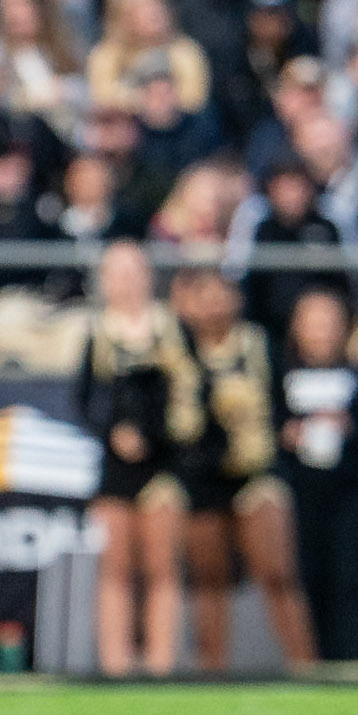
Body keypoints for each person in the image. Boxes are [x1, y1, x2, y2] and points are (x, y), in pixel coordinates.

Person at [173, 267, 318, 673]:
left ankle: (304, 666)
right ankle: (212, 669)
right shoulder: (179, 351)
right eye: (206, 295)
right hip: (202, 476)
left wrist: (286, 431)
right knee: (208, 578)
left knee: (277, 573)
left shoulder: (259, 345)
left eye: (223, 294)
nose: (216, 304)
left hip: (258, 472)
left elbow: (283, 402)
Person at [76, 241, 204, 677]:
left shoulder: (170, 328)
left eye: (134, 271)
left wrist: (160, 434)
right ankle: (115, 664)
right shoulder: (98, 333)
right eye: (117, 273)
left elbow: (190, 394)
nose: (126, 282)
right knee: (114, 568)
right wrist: (114, 433)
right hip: (115, 466)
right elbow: (85, 399)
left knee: (162, 566)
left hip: (162, 463)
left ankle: (160, 663)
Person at [275, 288, 358, 661]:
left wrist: (350, 427)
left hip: (348, 495)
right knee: (304, 576)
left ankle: (350, 657)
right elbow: (265, 427)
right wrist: (287, 435)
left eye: (329, 323)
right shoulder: (280, 376)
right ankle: (308, 658)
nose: (322, 332)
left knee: (349, 578)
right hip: (298, 496)